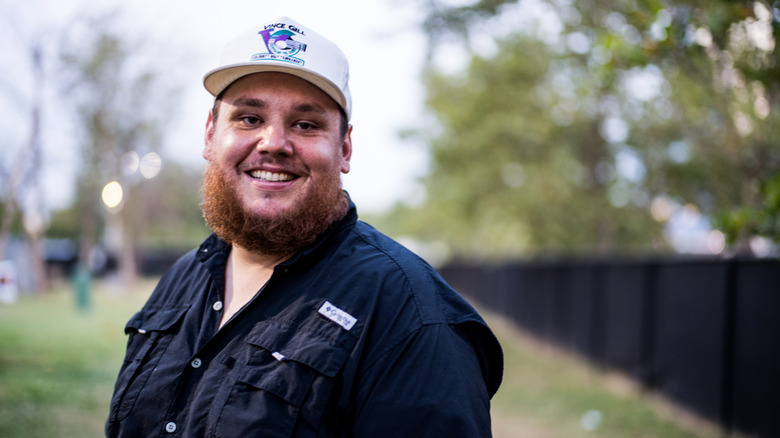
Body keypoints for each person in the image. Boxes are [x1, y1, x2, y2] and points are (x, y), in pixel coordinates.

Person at [106, 16, 503, 437]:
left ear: (344, 148)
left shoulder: (411, 319)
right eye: (248, 118)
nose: (274, 142)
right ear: (210, 134)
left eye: (306, 124)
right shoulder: (183, 278)